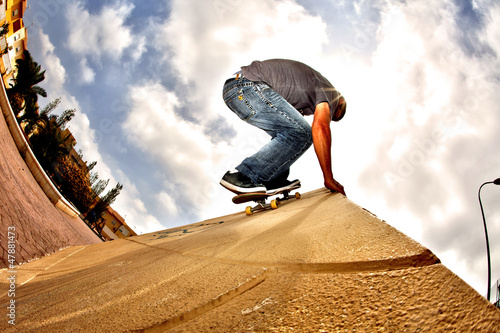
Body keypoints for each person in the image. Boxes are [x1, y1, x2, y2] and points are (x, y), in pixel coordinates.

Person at [220, 59, 346, 196]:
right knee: (302, 133)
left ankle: (272, 178)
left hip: (235, 90)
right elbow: (321, 127)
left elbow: (289, 137)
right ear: (340, 103)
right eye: (332, 115)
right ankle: (245, 175)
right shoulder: (331, 94)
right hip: (248, 85)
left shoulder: (303, 95)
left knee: (292, 133)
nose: (329, 115)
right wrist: (328, 177)